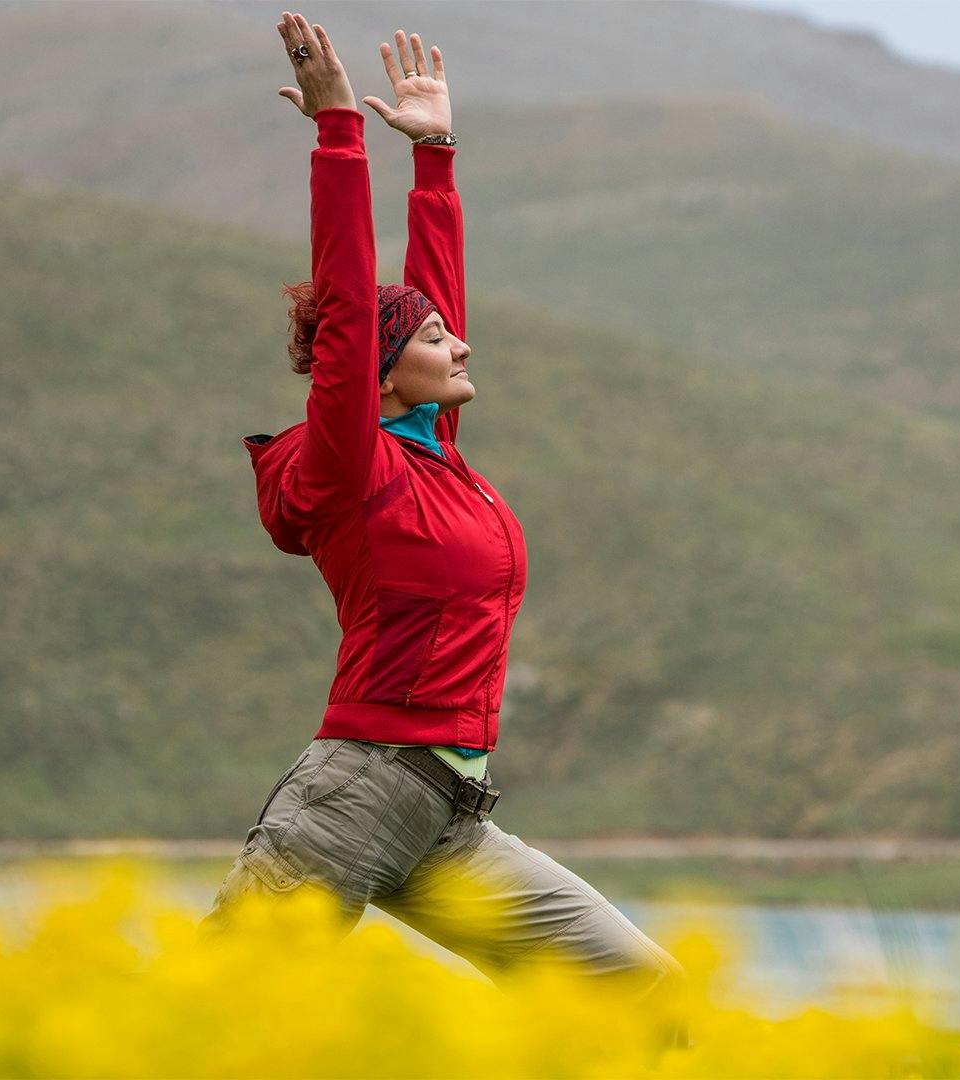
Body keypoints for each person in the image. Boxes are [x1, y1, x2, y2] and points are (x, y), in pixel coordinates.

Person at [200, 11, 686, 1045]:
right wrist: (339, 134)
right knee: (206, 1032)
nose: (459, 342)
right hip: (356, 795)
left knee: (646, 996)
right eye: (432, 337)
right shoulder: (355, 465)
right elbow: (349, 309)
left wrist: (435, 155)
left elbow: (432, 295)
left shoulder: (436, 455)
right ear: (380, 374)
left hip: (449, 819)